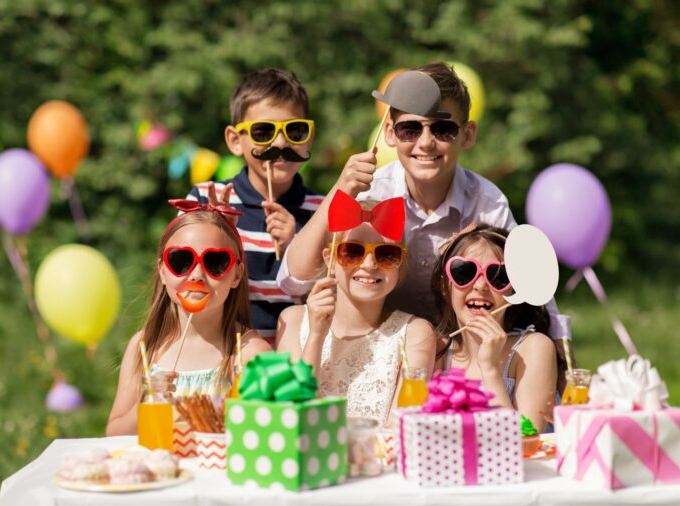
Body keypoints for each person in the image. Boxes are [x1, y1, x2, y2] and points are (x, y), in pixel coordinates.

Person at [277, 62, 570, 341]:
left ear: (467, 135)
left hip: (457, 349)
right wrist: (339, 192)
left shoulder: (486, 203)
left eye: (443, 129)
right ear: (390, 134)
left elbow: (531, 288)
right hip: (377, 342)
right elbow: (293, 280)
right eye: (411, 129)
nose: (426, 142)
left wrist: (560, 358)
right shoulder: (368, 191)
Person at [106, 200, 271, 436]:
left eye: (215, 263)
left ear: (236, 274)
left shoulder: (250, 354)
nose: (196, 275)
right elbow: (114, 433)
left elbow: (265, 433)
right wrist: (144, 405)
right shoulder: (144, 347)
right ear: (163, 271)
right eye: (181, 260)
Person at [185, 68, 323, 345]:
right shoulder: (204, 199)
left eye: (295, 130)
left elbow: (330, 303)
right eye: (263, 132)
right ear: (235, 141)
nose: (281, 143)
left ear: (309, 136)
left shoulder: (322, 212)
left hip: (294, 360)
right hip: (223, 352)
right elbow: (184, 284)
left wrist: (296, 250)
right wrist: (217, 233)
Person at [276, 197, 435, 428]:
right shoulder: (292, 321)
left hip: (377, 463)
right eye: (352, 252)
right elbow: (291, 419)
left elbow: (402, 430)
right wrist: (316, 337)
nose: (369, 265)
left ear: (400, 263)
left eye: (386, 254)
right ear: (329, 259)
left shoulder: (415, 334)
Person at [432, 223, 558, 431]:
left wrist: (490, 369)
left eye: (498, 276)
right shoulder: (436, 350)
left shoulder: (533, 349)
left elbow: (525, 440)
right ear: (445, 288)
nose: (480, 286)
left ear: (514, 290)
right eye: (464, 272)